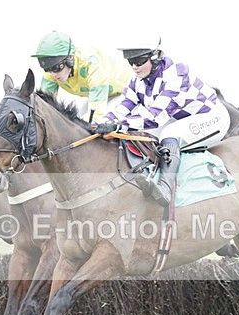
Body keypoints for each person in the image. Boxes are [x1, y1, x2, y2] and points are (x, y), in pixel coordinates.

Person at [94, 40, 230, 208]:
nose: (135, 67)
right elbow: (123, 107)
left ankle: (165, 187)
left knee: (169, 133)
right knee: (140, 134)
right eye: (131, 62)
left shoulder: (175, 74)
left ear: (155, 56)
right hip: (177, 118)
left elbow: (155, 118)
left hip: (210, 116)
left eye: (139, 61)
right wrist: (100, 124)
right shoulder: (137, 80)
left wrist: (119, 125)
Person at [32, 31, 133, 123]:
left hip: (122, 92)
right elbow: (45, 105)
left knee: (96, 123)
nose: (53, 74)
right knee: (76, 122)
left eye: (57, 67)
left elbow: (96, 115)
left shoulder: (91, 65)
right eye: (47, 68)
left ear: (70, 58)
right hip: (97, 95)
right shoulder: (51, 73)